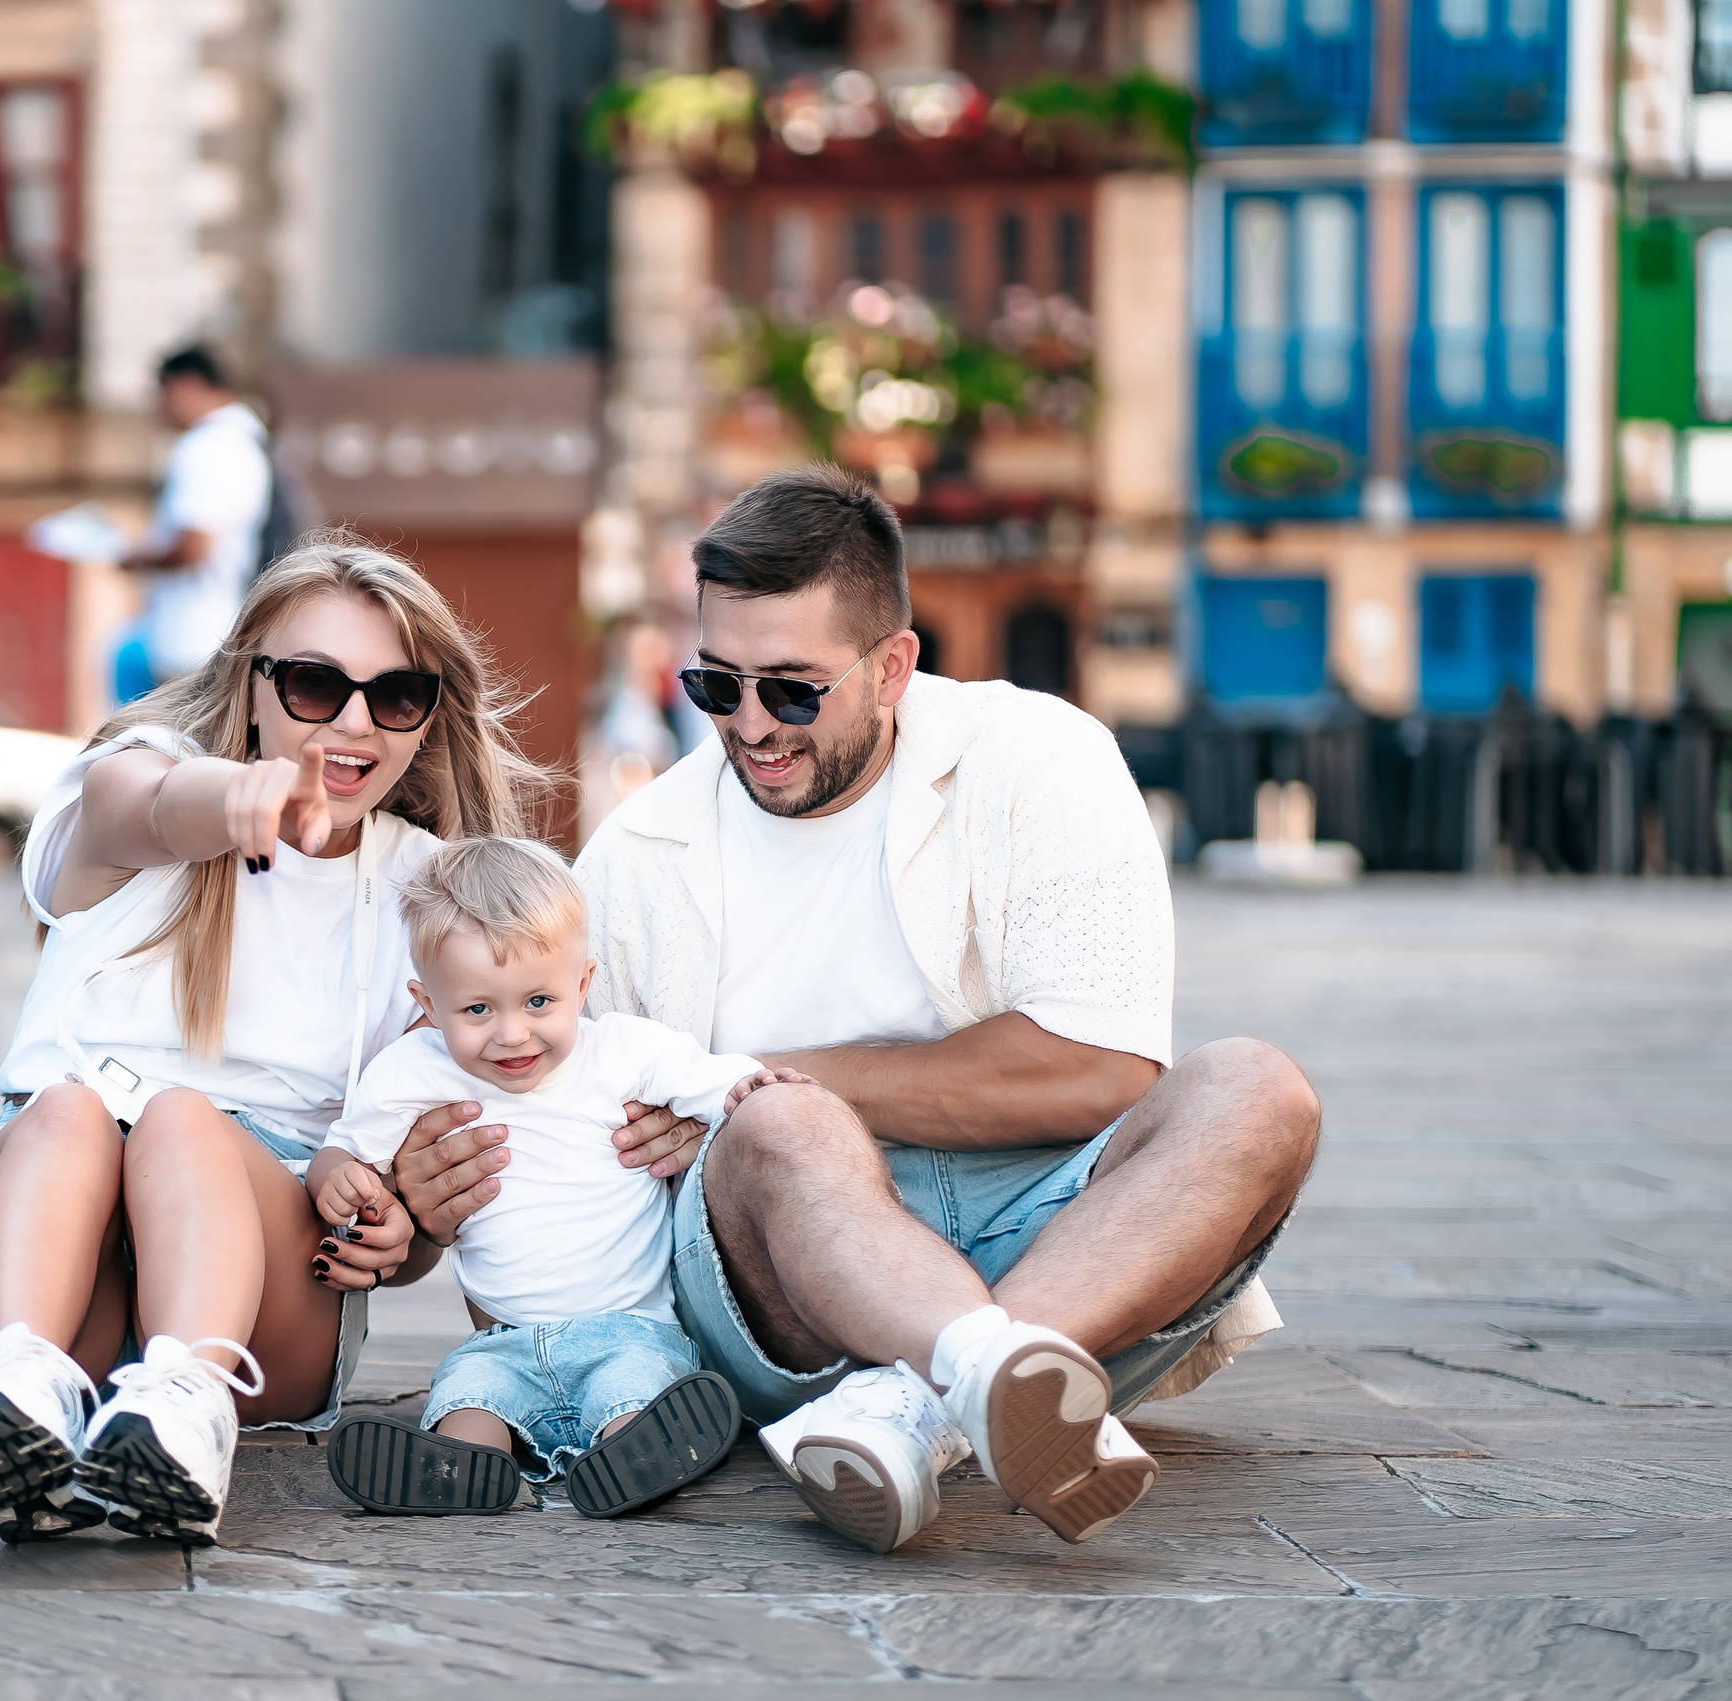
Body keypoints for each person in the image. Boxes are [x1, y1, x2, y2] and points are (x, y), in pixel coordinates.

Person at [388, 465, 1319, 1557]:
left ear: (893, 666)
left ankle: (914, 1408)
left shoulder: (1039, 757)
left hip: (1056, 1230)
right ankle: (978, 1379)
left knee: (1257, 1087)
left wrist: (758, 1067)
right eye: (715, 686)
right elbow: (546, 1121)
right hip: (780, 1283)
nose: (751, 726)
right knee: (780, 1122)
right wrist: (432, 1203)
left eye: (792, 690)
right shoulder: (637, 854)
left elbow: (1098, 1070)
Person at [0, 536, 545, 1547]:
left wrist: (403, 1231)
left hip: (262, 1300)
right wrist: (234, 798)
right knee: (70, 1111)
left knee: (180, 1121)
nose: (352, 723)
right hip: (33, 1252)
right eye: (314, 685)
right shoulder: (128, 780)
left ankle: (182, 1409)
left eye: (396, 695)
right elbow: (144, 807)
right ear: (250, 684)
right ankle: (21, 1396)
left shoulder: (432, 894)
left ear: (429, 717)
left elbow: (413, 1222)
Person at [317, 837, 798, 1518]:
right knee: (471, 1391)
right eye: (477, 1010)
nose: (512, 1033)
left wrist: (755, 1089)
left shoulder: (625, 1052)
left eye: (539, 1001)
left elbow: (719, 1084)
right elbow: (345, 1147)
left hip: (628, 1330)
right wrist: (337, 1176)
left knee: (633, 1390)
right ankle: (460, 1467)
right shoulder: (413, 1069)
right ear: (427, 1000)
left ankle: (637, 1453)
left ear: (583, 983)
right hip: (504, 1339)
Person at [112, 345, 270, 704]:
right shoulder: (244, 442)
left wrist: (135, 558)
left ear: (187, 385)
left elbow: (193, 547)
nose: (158, 405)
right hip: (219, 632)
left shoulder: (206, 447)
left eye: (162, 392)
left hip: (190, 640)